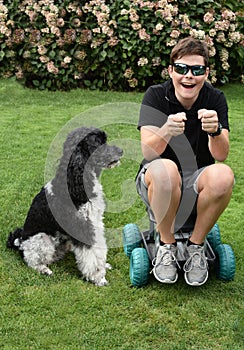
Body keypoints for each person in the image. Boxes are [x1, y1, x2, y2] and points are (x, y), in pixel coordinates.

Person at [136, 37, 234, 286]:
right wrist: (166, 130)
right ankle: (167, 246)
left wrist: (215, 131)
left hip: (196, 177)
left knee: (223, 174)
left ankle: (195, 246)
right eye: (181, 69)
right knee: (166, 170)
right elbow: (148, 151)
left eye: (197, 70)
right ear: (171, 71)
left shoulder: (215, 99)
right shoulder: (156, 96)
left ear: (206, 73)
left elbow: (221, 155)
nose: (188, 76)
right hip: (157, 176)